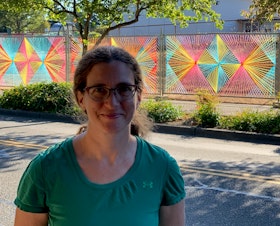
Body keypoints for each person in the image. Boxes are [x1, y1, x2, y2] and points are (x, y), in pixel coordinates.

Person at [14, 46, 186, 226]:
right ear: (81, 98)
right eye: (98, 90)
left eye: (124, 89)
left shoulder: (163, 168)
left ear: (139, 95)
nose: (112, 103)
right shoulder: (45, 169)